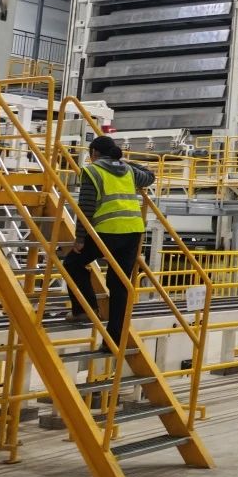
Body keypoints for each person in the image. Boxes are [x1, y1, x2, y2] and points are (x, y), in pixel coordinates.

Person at [63, 135, 155, 352]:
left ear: (94, 153)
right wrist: (126, 161)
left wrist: (79, 239)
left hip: (107, 232)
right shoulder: (128, 170)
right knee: (119, 285)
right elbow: (150, 176)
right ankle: (113, 341)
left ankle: (84, 309)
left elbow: (86, 208)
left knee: (72, 264)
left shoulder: (92, 171)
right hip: (133, 232)